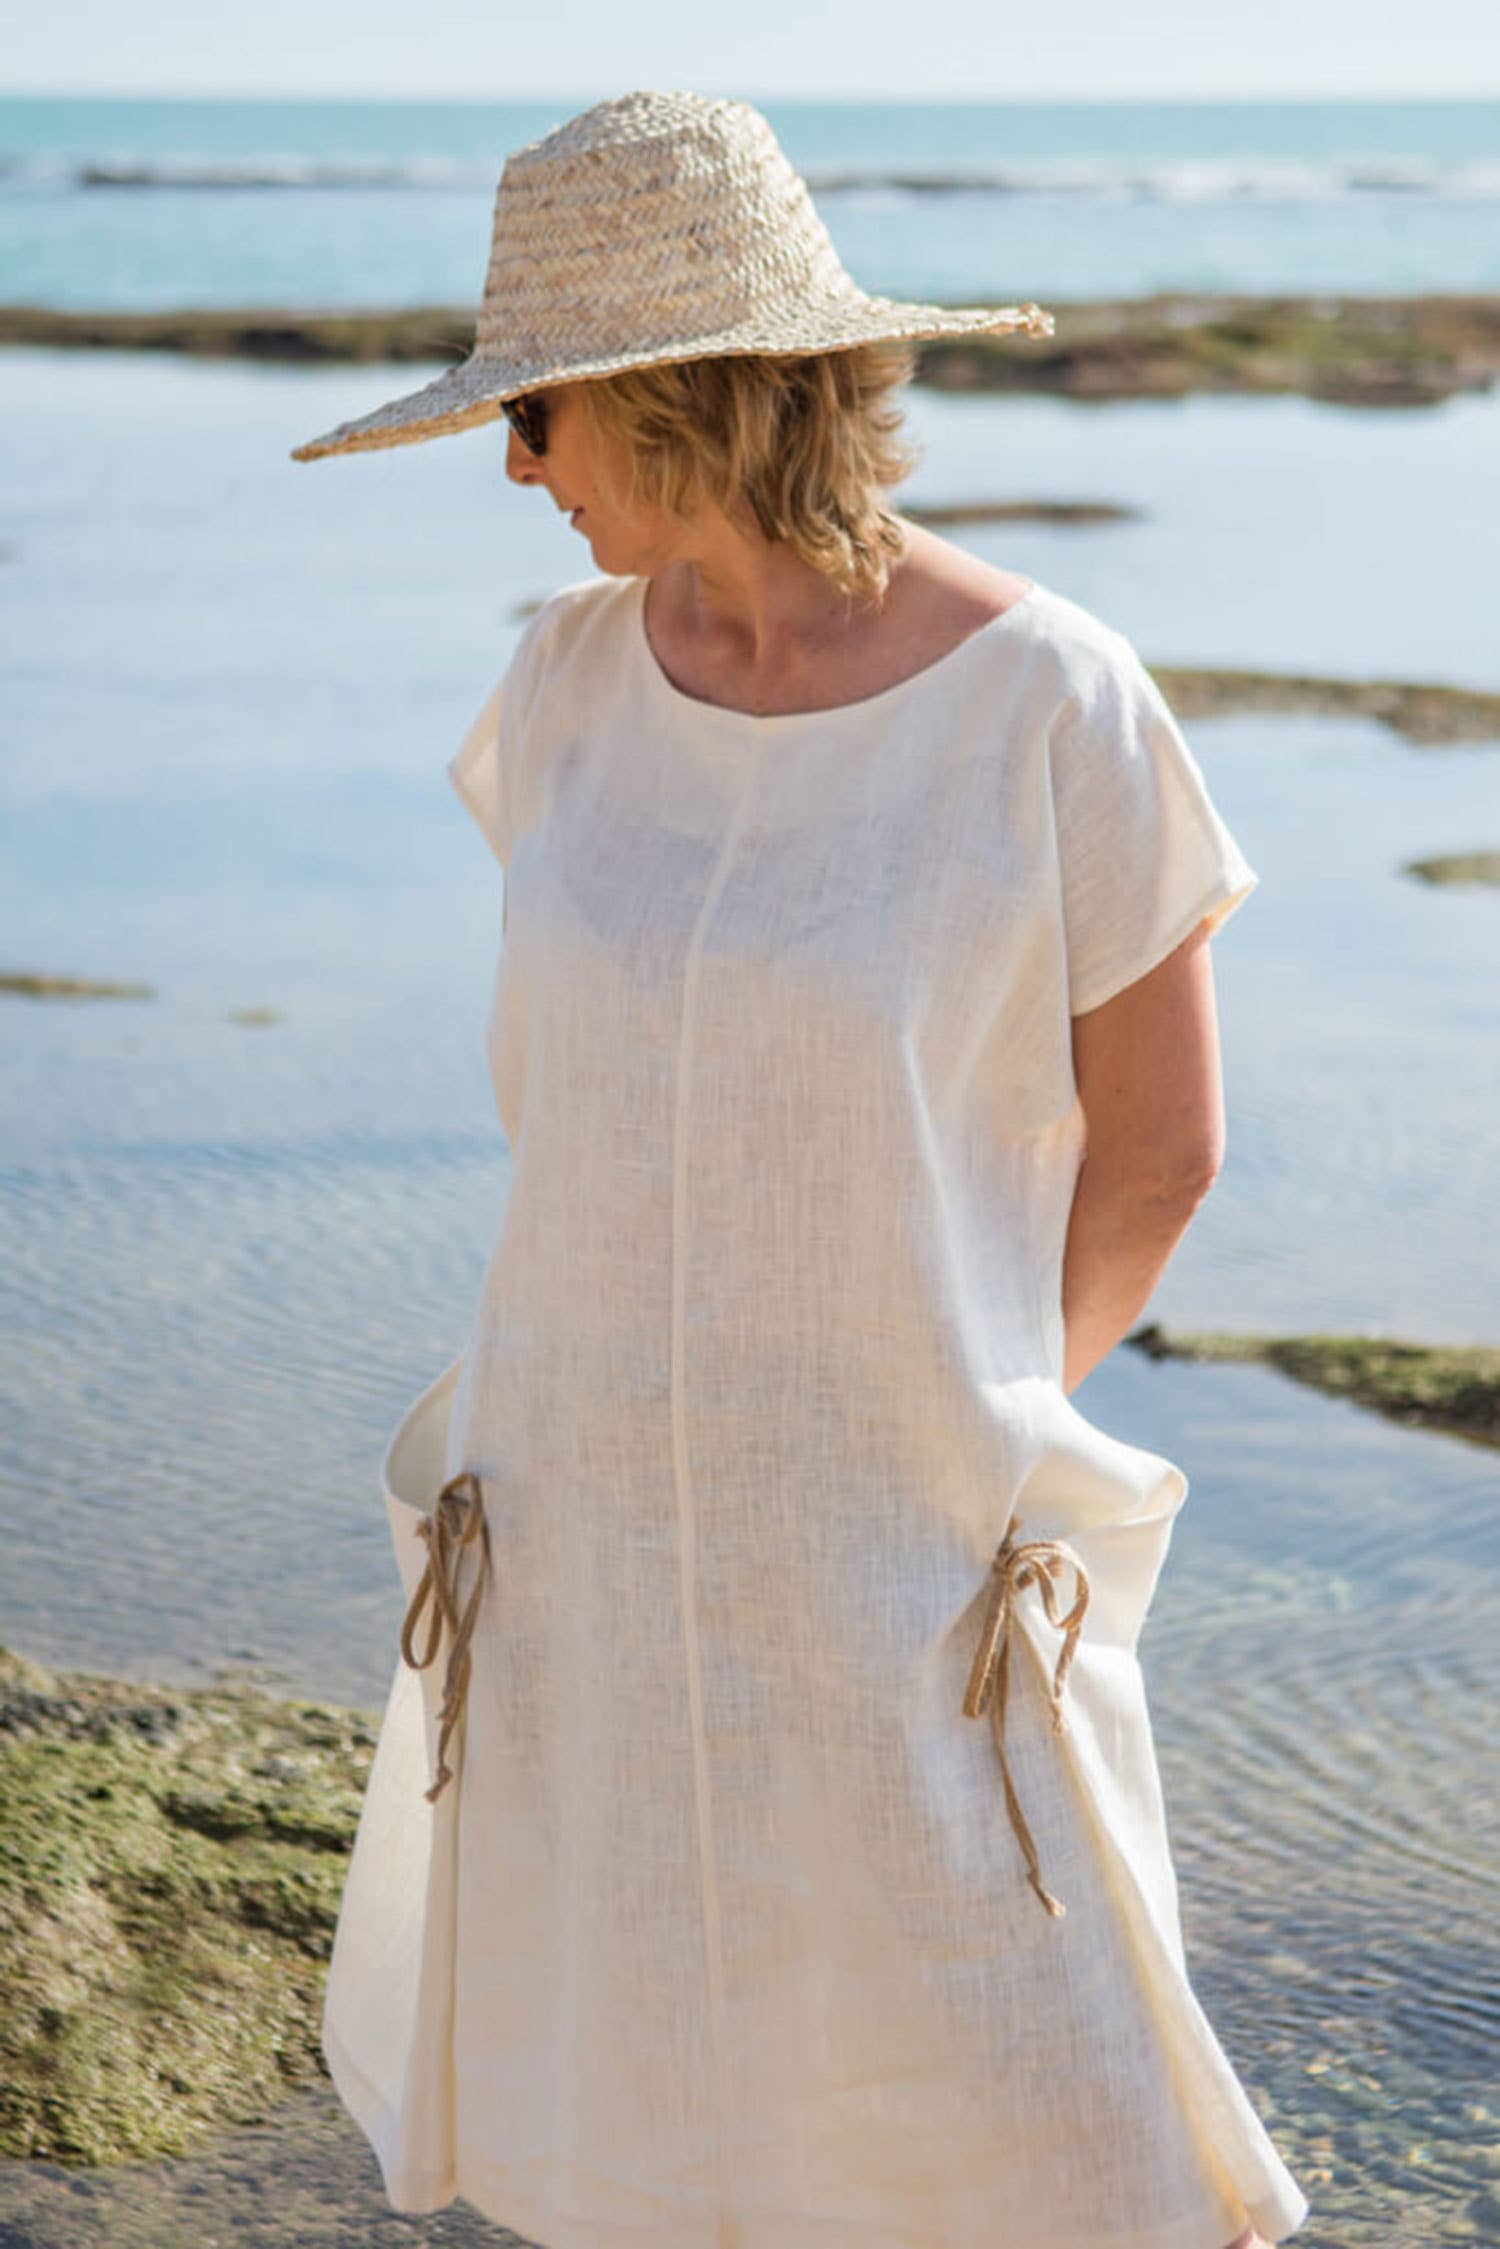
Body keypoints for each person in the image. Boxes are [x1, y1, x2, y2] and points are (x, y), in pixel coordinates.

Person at [292, 89, 1309, 2249]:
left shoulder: (1054, 704)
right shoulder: (563, 687)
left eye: (536, 411)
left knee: (1021, 2100)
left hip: (911, 1549)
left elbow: (1164, 1150)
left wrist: (972, 1427)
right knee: (644, 2101)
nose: (518, 466)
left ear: (673, 395)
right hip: (574, 1535)